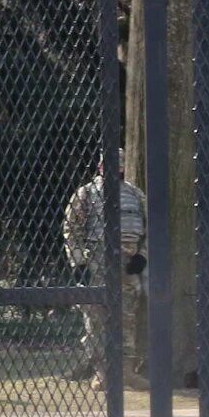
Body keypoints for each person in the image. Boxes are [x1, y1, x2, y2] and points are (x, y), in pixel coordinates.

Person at [61, 163, 146, 388]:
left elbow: (151, 228)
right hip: (96, 263)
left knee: (127, 317)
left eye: (120, 163)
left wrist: (142, 256)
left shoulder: (136, 194)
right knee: (95, 319)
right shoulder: (86, 194)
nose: (116, 167)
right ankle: (102, 373)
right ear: (100, 166)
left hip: (128, 265)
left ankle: (127, 371)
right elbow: (71, 229)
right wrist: (79, 262)